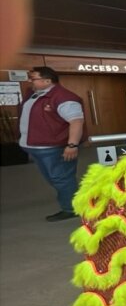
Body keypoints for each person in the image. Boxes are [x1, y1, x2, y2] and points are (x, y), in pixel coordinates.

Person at [18, 66, 85, 221]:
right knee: (54, 178)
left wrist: (72, 145)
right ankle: (73, 202)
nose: (30, 81)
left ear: (47, 80)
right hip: (36, 147)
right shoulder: (34, 95)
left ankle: (71, 208)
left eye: (33, 78)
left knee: (61, 178)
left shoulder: (64, 97)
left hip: (54, 148)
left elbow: (76, 122)